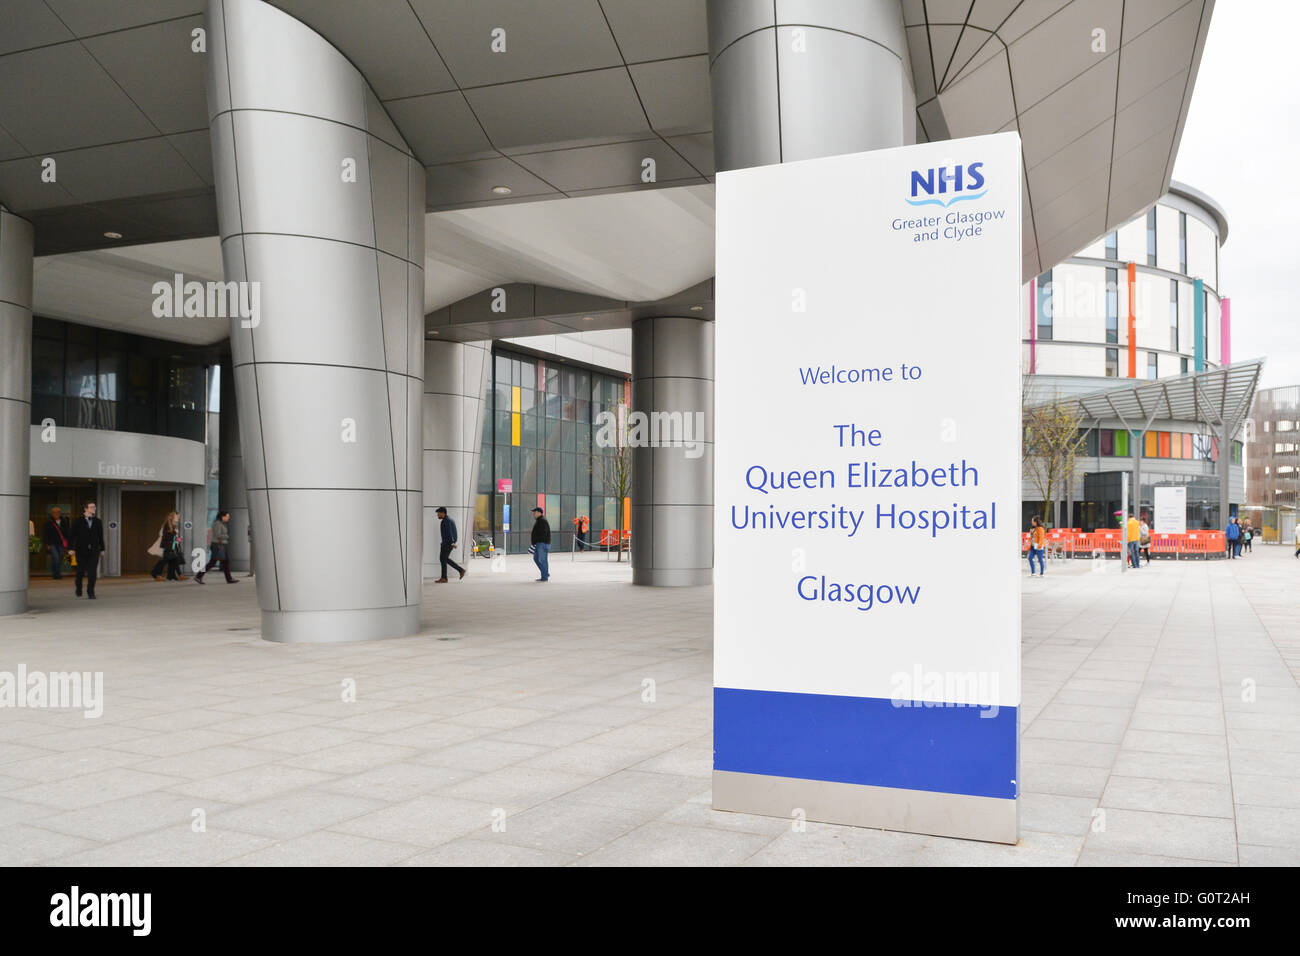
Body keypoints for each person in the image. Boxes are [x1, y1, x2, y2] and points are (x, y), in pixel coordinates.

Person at [70, 501, 104, 598]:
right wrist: (71, 548)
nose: (94, 508)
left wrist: (102, 549)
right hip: (81, 550)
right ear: (86, 509)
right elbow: (72, 536)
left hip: (94, 550)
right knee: (80, 571)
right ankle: (79, 587)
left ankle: (91, 592)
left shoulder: (98, 521)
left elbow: (100, 536)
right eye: (92, 507)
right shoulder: (78, 521)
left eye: (95, 507)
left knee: (92, 572)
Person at [196, 511, 239, 584]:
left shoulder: (221, 523)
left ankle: (229, 579)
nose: (228, 518)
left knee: (225, 562)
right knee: (212, 563)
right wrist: (226, 536)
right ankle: (199, 575)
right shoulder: (217, 524)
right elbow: (218, 535)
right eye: (227, 516)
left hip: (220, 545)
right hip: (218, 545)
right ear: (222, 516)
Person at [434, 506, 466, 583]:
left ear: (443, 513)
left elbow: (449, 532)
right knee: (444, 559)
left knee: (443, 559)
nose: (437, 515)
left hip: (448, 543)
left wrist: (452, 542)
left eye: (438, 513)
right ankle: (460, 570)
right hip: (447, 543)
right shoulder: (448, 519)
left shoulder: (446, 521)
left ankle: (444, 578)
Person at [151, 512, 185, 581]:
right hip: (168, 546)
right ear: (172, 517)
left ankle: (172, 575)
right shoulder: (167, 525)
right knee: (164, 561)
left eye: (178, 516)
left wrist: (178, 539)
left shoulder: (173, 525)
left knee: (174, 560)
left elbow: (173, 536)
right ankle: (156, 573)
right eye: (177, 516)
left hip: (172, 545)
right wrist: (175, 536)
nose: (178, 518)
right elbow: (166, 536)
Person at [42, 506, 70, 580]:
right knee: (56, 558)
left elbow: (67, 532)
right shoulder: (48, 522)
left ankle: (56, 573)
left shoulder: (64, 521)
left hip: (61, 543)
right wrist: (47, 544)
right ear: (52, 514)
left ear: (60, 513)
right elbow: (45, 534)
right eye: (54, 512)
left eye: (58, 512)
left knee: (59, 558)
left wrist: (68, 542)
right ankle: (56, 574)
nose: (56, 514)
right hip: (52, 543)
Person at [530, 506, 551, 582]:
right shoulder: (539, 520)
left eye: (534, 513)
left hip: (542, 543)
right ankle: (545, 573)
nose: (533, 514)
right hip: (539, 543)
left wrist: (538, 540)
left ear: (539, 513)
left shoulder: (542, 521)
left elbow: (543, 533)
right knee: (536, 558)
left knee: (542, 560)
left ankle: (544, 577)